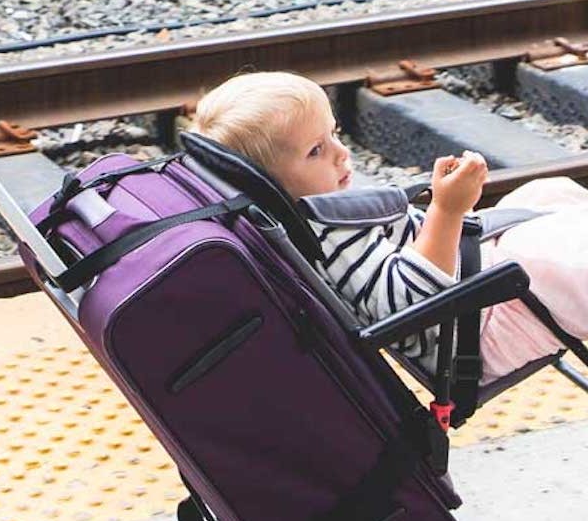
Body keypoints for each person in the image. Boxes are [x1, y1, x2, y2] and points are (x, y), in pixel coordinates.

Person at [191, 71, 588, 384]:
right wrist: (447, 210)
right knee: (566, 253)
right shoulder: (328, 237)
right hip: (473, 329)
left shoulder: (312, 218)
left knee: (547, 193)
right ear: (272, 182)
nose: (341, 153)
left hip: (471, 285)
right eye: (316, 151)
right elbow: (411, 304)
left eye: (334, 134)